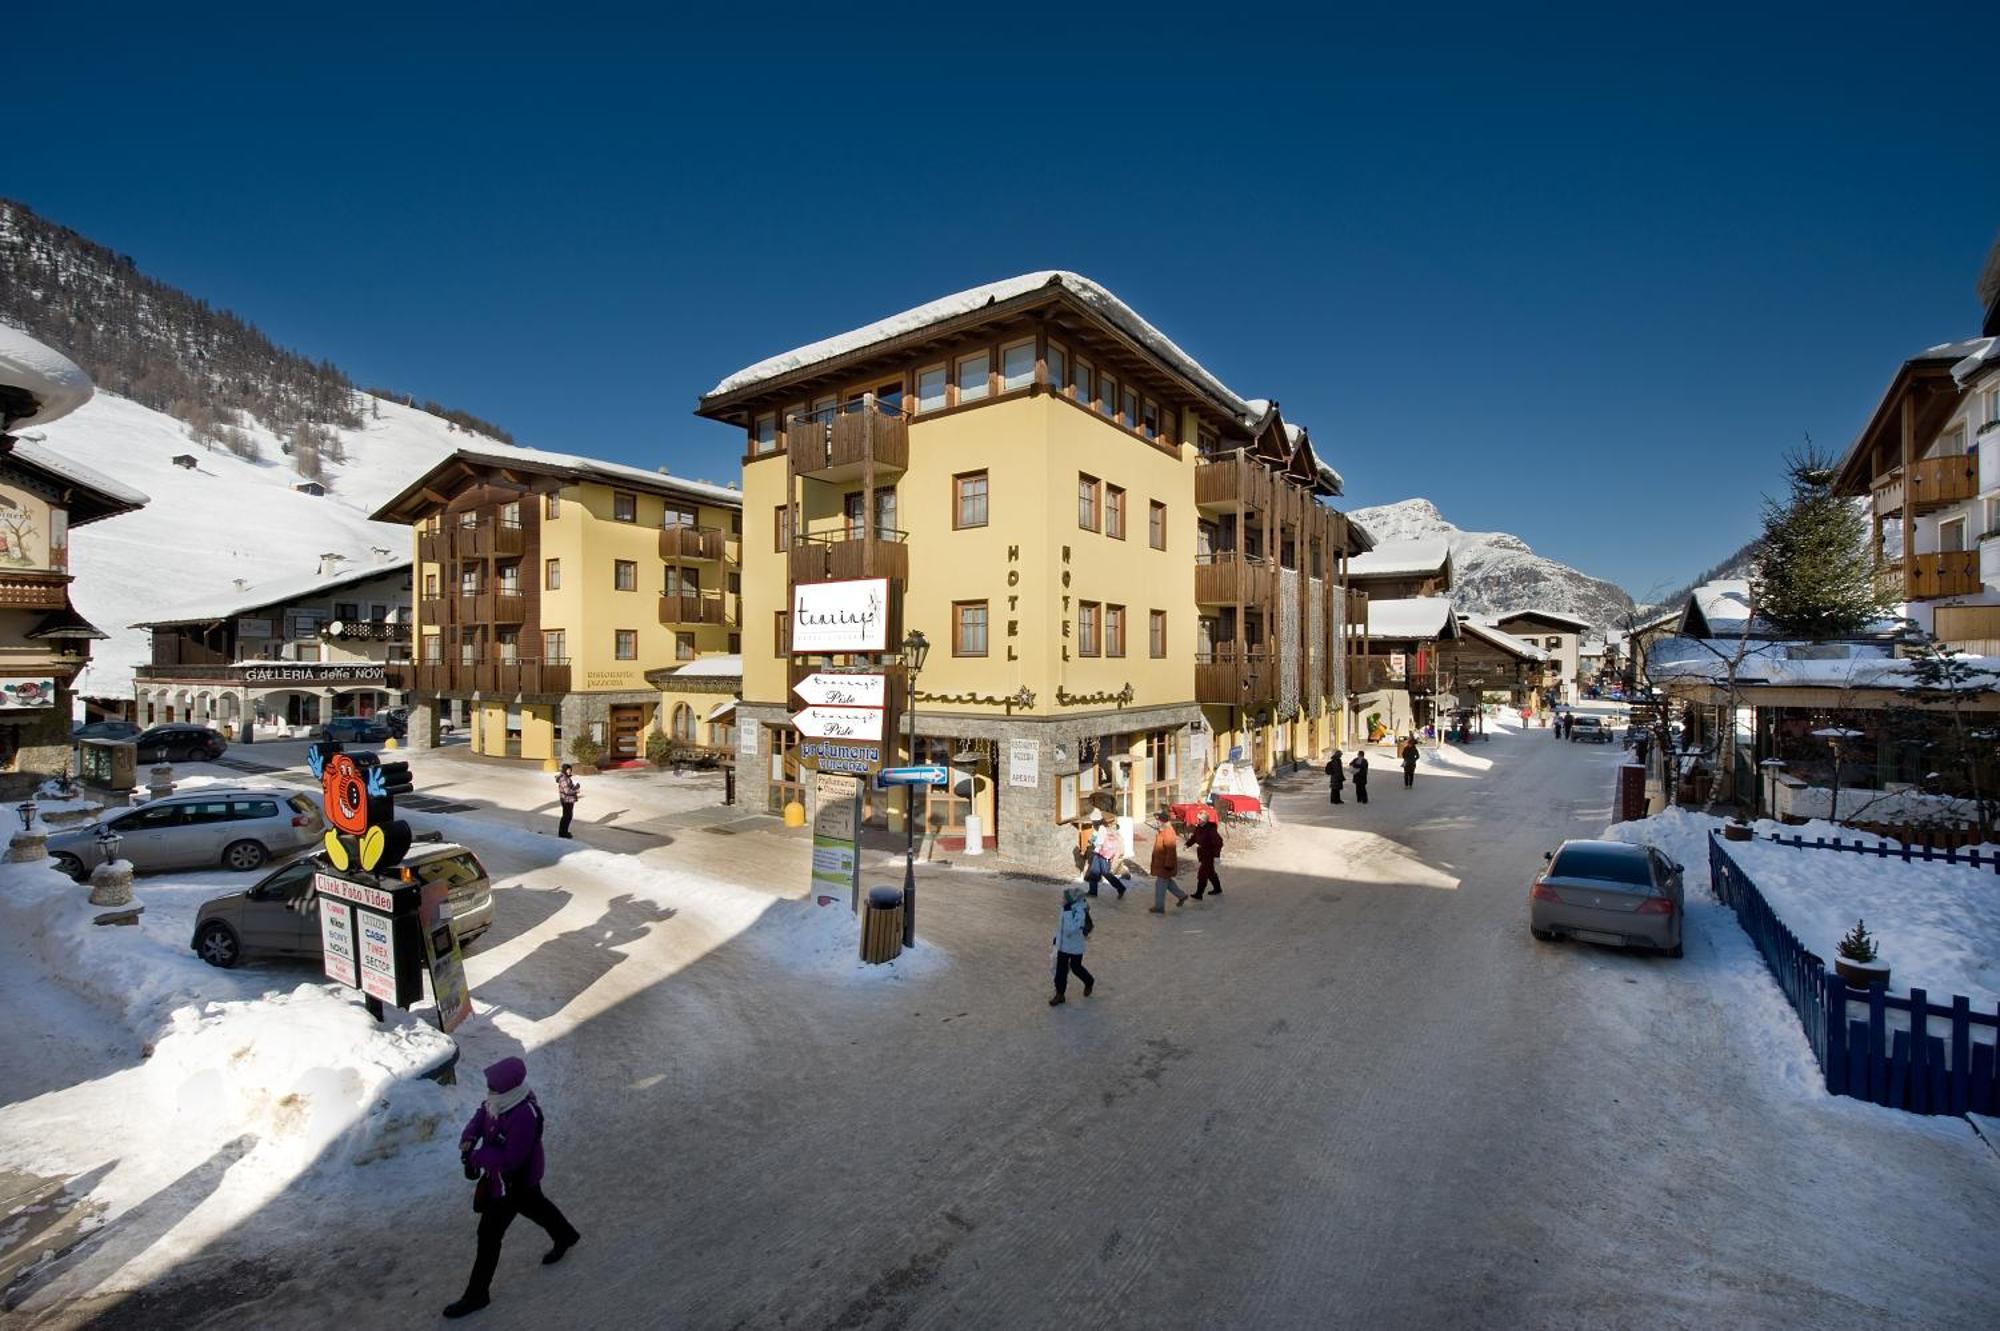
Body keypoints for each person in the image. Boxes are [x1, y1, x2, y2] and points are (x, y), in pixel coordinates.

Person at [445, 1056, 581, 1319]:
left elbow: (512, 1158)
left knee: (489, 1236)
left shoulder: (524, 1114)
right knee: (536, 1207)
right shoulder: (501, 1100)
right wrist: (469, 1137)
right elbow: (482, 1113)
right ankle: (565, 1235)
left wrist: (477, 1157)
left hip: (513, 1182)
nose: (489, 1090)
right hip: (509, 1183)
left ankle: (477, 1296)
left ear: (507, 1087)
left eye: (493, 1085)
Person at [1049, 885, 1095, 1005]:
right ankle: (1060, 994)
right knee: (1060, 971)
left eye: (1064, 897)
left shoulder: (1078, 910)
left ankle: (1089, 981)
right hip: (1063, 945)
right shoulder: (1065, 908)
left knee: (1076, 968)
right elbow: (1060, 927)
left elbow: (1072, 929)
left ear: (1071, 899)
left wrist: (1069, 912)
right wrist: (1056, 938)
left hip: (1075, 946)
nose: (1062, 899)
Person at [1147, 811, 1189, 912]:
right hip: (1162, 863)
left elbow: (1170, 849)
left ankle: (1159, 907)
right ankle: (1182, 896)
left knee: (1160, 885)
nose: (1156, 822)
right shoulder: (1163, 830)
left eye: (1157, 820)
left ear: (1162, 821)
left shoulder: (1168, 832)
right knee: (1168, 883)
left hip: (1165, 864)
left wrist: (1168, 864)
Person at [1186, 810, 1224, 899]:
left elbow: (1219, 843)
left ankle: (1199, 894)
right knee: (1210, 872)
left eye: (1199, 819)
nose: (1197, 821)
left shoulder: (1211, 830)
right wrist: (1187, 844)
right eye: (1198, 819)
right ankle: (1218, 889)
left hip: (1210, 854)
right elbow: (1194, 837)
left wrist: (1216, 856)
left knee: (1202, 873)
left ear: (1204, 820)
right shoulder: (1199, 827)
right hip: (1203, 854)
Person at [1089, 816, 1129, 898]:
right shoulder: (1105, 828)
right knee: (1094, 871)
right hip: (1101, 854)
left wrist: (1092, 841)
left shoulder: (1101, 829)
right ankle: (1092, 892)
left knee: (1105, 873)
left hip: (1102, 854)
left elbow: (1098, 842)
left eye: (1093, 821)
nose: (1092, 823)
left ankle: (1121, 888)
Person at [555, 764, 580, 838]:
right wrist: (575, 791)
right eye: (568, 770)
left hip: (568, 799)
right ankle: (562, 833)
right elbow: (567, 791)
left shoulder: (567, 778)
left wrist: (575, 787)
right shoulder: (563, 779)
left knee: (568, 816)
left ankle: (564, 832)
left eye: (570, 770)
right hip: (566, 800)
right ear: (564, 770)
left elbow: (569, 787)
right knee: (567, 816)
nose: (569, 771)